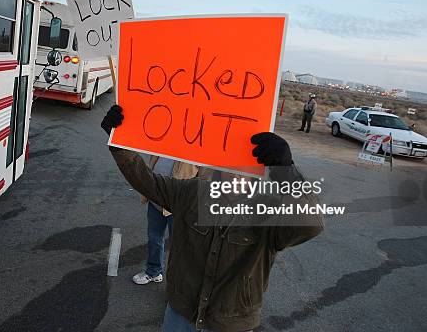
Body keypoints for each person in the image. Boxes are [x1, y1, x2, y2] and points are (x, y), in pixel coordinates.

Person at [101, 105, 324, 332]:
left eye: (245, 165)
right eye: (231, 162)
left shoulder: (268, 209)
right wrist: (120, 143)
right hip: (181, 314)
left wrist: (286, 171)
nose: (237, 172)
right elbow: (148, 182)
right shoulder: (193, 192)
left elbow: (311, 223)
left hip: (231, 323)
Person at [132, 156, 200, 285]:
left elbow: (203, 176)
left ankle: (178, 286)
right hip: (156, 201)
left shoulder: (195, 148)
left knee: (179, 246)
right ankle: (153, 272)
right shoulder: (163, 143)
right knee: (154, 238)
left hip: (178, 206)